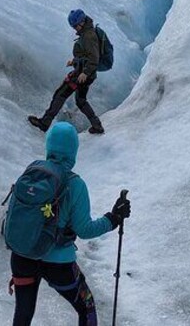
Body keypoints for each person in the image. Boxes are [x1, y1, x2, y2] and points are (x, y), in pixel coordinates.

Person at [9, 122, 131, 326]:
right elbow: (84, 230)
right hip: (58, 265)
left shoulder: (32, 172)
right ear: (73, 151)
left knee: (23, 315)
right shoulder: (75, 184)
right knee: (87, 307)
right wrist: (113, 219)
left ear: (49, 147)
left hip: (22, 256)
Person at [29, 9, 105, 134]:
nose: (75, 29)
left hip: (82, 75)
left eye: (75, 26)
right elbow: (86, 55)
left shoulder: (89, 36)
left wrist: (84, 72)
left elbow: (94, 58)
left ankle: (44, 123)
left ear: (81, 22)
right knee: (81, 101)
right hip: (86, 74)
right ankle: (97, 125)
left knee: (60, 94)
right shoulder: (86, 33)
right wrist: (74, 62)